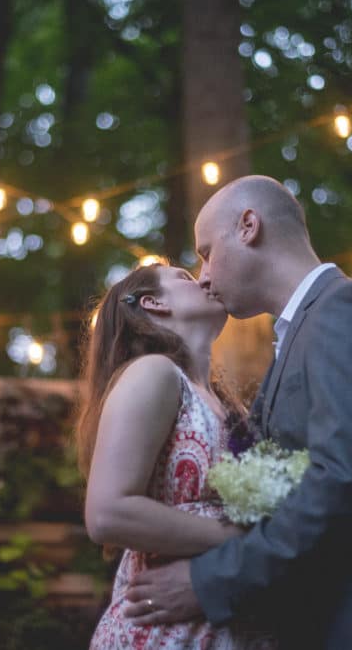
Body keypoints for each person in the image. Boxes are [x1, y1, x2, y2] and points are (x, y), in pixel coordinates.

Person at [122, 175, 352, 649]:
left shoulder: (348, 308)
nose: (203, 275)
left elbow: (344, 484)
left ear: (249, 225)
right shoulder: (299, 337)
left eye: (207, 251)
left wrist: (210, 581)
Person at [78, 262, 276, 649]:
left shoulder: (224, 402)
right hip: (161, 634)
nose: (204, 278)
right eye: (185, 278)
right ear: (153, 304)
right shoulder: (154, 373)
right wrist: (242, 539)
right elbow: (107, 513)